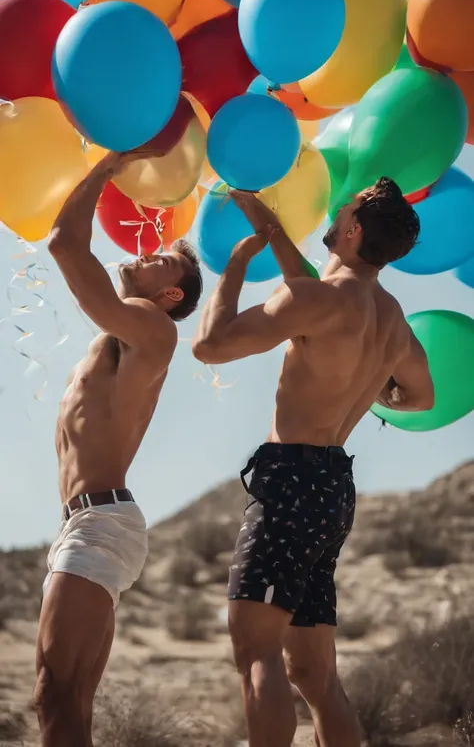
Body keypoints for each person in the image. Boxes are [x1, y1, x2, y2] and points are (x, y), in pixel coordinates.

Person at [192, 177, 434, 747]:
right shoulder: (392, 320)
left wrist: (231, 268)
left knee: (257, 651)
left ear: (351, 231)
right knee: (315, 675)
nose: (336, 209)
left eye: (343, 208)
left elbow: (210, 345)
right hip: (332, 490)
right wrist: (373, 388)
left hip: (289, 481)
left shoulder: (316, 301)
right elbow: (421, 398)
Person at [34, 149, 203, 747]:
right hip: (93, 523)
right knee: (68, 700)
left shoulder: (153, 330)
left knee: (55, 695)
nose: (147, 253)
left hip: (101, 523)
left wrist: (110, 166)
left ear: (170, 299)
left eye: (164, 264)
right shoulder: (123, 335)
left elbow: (63, 244)